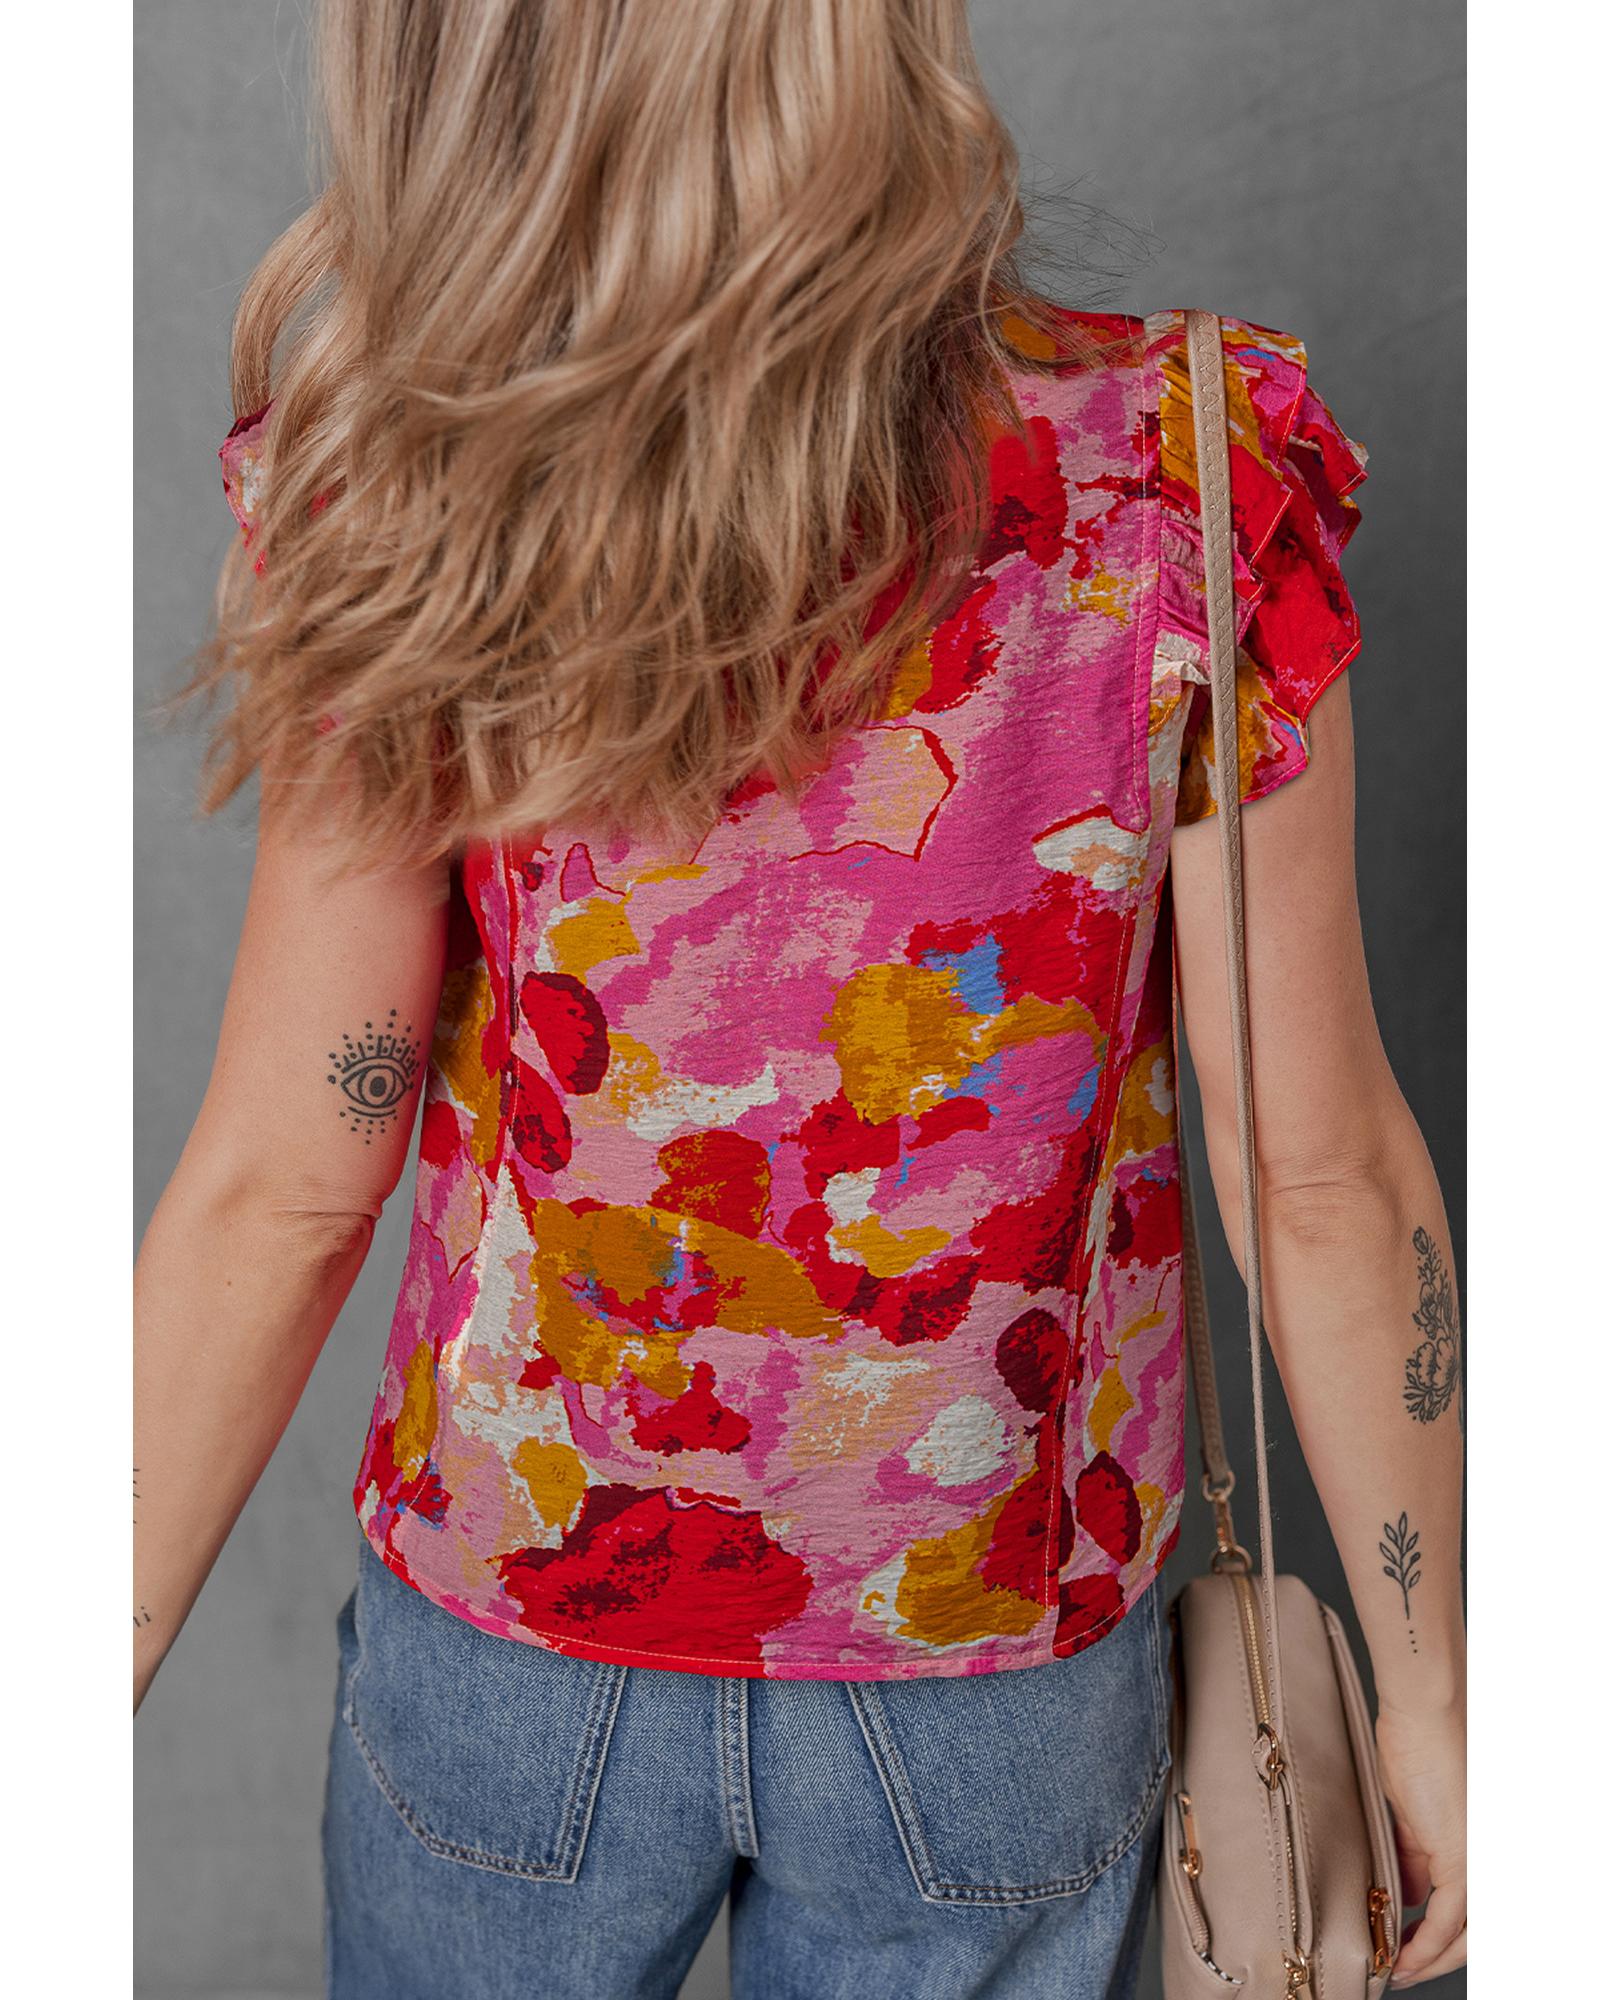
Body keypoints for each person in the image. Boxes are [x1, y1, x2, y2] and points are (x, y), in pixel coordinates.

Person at [133, 3, 1466, 1995]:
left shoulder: (409, 480)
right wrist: (1438, 1692)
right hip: (992, 1659)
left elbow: (292, 1179)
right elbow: (1319, 1173)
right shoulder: (1183, 475)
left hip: (516, 1626)